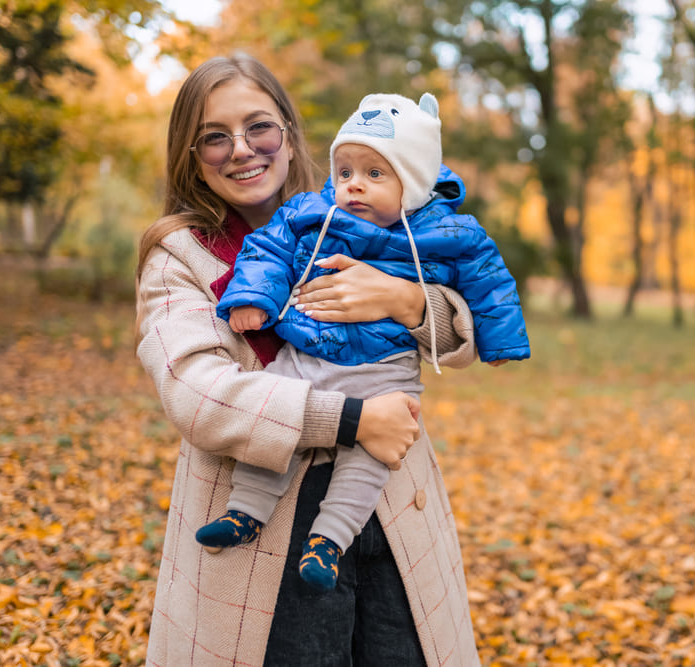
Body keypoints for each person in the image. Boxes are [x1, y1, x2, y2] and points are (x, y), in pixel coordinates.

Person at [135, 53, 481, 666]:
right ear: (192, 158)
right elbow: (198, 393)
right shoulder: (179, 256)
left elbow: (468, 337)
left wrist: (405, 299)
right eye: (215, 137)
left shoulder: (366, 212)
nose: (242, 149)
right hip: (266, 530)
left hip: (392, 514)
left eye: (259, 127)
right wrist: (349, 418)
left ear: (290, 139)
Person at [195, 92, 530, 593]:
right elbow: (268, 249)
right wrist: (252, 297)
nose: (354, 185)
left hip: (387, 368)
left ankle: (328, 540)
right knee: (273, 412)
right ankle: (246, 510)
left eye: (375, 174)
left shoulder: (452, 231)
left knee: (371, 456)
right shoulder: (311, 210)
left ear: (413, 182)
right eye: (346, 170)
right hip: (308, 351)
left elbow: (490, 281)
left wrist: (500, 341)